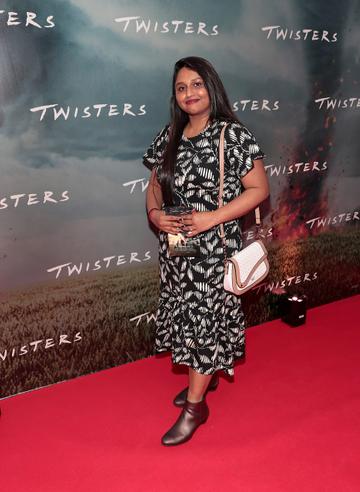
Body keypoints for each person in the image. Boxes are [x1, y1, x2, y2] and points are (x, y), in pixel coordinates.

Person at [143, 56, 269, 446]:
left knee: (205, 320)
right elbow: (153, 185)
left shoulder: (232, 136)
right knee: (188, 314)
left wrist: (211, 218)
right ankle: (206, 374)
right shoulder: (170, 135)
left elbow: (259, 190)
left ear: (211, 87)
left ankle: (196, 406)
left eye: (196, 84)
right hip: (179, 248)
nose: (189, 94)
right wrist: (155, 214)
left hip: (215, 248)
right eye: (181, 88)